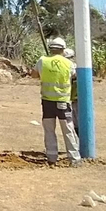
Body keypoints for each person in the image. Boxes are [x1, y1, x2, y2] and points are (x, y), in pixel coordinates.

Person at [36, 37, 82, 165]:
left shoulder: (42, 60)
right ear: (63, 49)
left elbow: (34, 74)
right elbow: (73, 76)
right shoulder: (69, 64)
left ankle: (51, 157)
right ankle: (74, 158)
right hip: (63, 102)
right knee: (68, 130)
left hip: (47, 102)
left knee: (49, 130)